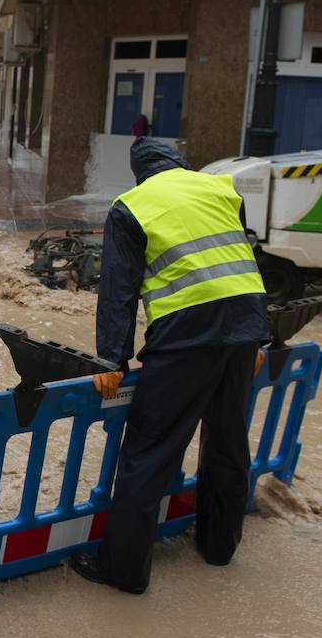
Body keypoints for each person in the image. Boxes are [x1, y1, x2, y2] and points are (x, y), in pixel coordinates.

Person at [71, 138, 269, 594]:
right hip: (242, 328)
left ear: (140, 173)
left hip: (186, 336)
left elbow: (117, 292)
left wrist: (110, 360)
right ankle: (219, 549)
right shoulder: (220, 190)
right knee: (227, 441)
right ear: (182, 163)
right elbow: (241, 262)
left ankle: (124, 572)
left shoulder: (131, 207)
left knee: (149, 452)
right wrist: (261, 334)